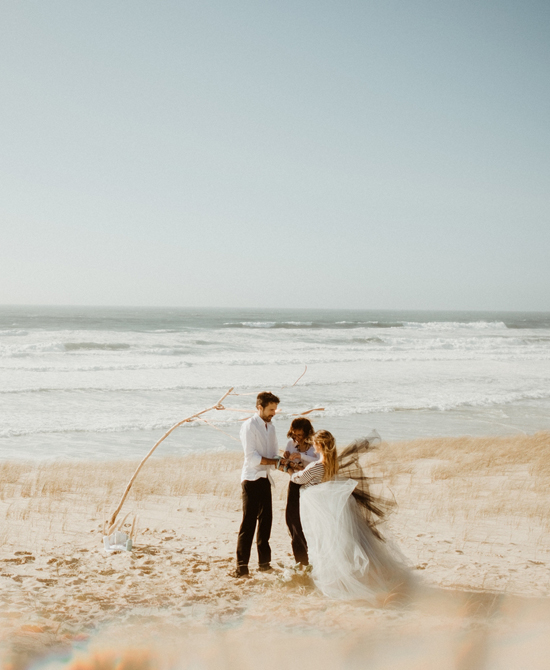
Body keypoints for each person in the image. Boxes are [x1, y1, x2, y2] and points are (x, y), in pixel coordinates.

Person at [288, 430, 413, 602]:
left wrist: (287, 467)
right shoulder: (333, 464)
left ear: (320, 445)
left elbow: (298, 479)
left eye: (315, 443)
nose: (312, 445)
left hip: (320, 512)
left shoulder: (317, 466)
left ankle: (335, 581)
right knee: (336, 543)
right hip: (331, 510)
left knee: (323, 542)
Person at [233, 391, 283, 578]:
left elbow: (273, 454)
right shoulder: (249, 426)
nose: (273, 413)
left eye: (275, 409)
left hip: (265, 479)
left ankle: (264, 564)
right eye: (271, 409)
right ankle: (241, 568)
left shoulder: (271, 427)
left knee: (266, 522)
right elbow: (252, 458)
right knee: (248, 523)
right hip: (251, 479)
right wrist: (274, 462)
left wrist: (286, 461)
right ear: (259, 408)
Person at [284, 417, 319, 566]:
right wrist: (288, 462)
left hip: (311, 486)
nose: (296, 438)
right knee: (292, 521)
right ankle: (301, 560)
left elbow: (319, 462)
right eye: (294, 434)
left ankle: (313, 558)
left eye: (300, 435)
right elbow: (287, 466)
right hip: (294, 483)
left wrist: (301, 456)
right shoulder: (290, 444)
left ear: (307, 433)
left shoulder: (314, 446)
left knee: (309, 522)